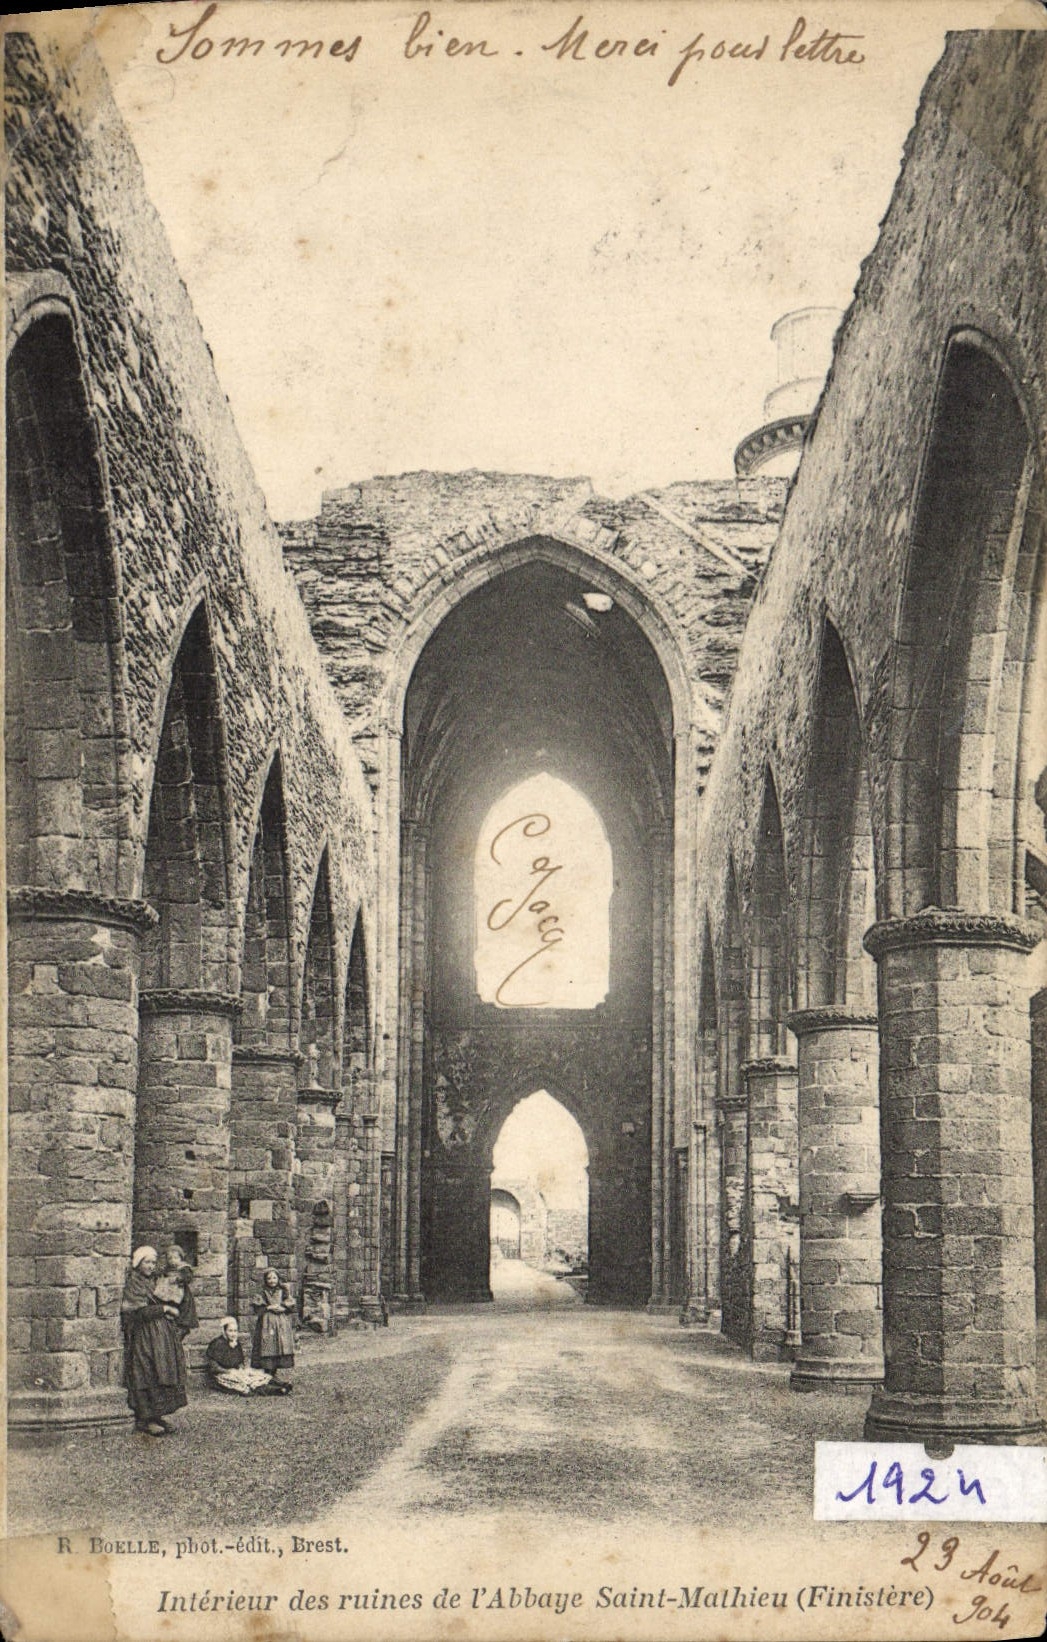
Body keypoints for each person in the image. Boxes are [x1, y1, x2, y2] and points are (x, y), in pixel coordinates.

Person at [119, 1246, 188, 1436]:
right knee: (146, 1372)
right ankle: (144, 1419)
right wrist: (163, 1310)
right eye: (147, 1262)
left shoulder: (154, 1281)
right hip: (143, 1335)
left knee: (162, 1371)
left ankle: (158, 1415)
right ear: (138, 1263)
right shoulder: (135, 1283)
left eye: (153, 1262)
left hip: (159, 1335)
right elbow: (136, 1311)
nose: (151, 1266)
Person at [205, 1317, 290, 1396]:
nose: (233, 1334)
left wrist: (242, 1370)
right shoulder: (217, 1344)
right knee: (246, 1385)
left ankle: (282, 1385)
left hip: (235, 1371)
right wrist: (229, 1371)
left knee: (256, 1375)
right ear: (224, 1331)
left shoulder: (236, 1343)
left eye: (235, 1331)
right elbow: (213, 1367)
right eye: (230, 1331)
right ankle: (278, 1391)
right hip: (221, 1375)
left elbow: (239, 1362)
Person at [251, 1269, 296, 1388]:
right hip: (266, 1323)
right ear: (265, 1280)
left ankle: (274, 1372)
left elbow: (290, 1305)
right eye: (269, 1278)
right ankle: (267, 1372)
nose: (272, 1281)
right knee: (267, 1345)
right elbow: (257, 1307)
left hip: (281, 1323)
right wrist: (269, 1307)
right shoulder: (262, 1291)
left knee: (279, 1345)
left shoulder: (283, 1290)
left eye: (274, 1278)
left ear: (278, 1279)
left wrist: (283, 1308)